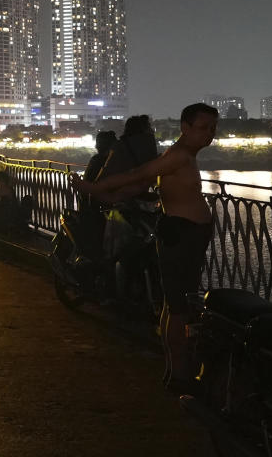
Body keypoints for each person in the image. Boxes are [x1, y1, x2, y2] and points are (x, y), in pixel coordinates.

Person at [70, 103, 218, 392]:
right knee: (179, 309)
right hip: (182, 238)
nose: (209, 134)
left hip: (184, 236)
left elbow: (139, 186)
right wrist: (94, 189)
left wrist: (109, 194)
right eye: (203, 127)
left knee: (173, 306)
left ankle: (174, 370)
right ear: (185, 127)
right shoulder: (177, 157)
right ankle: (181, 376)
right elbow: (137, 174)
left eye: (213, 128)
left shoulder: (182, 156)